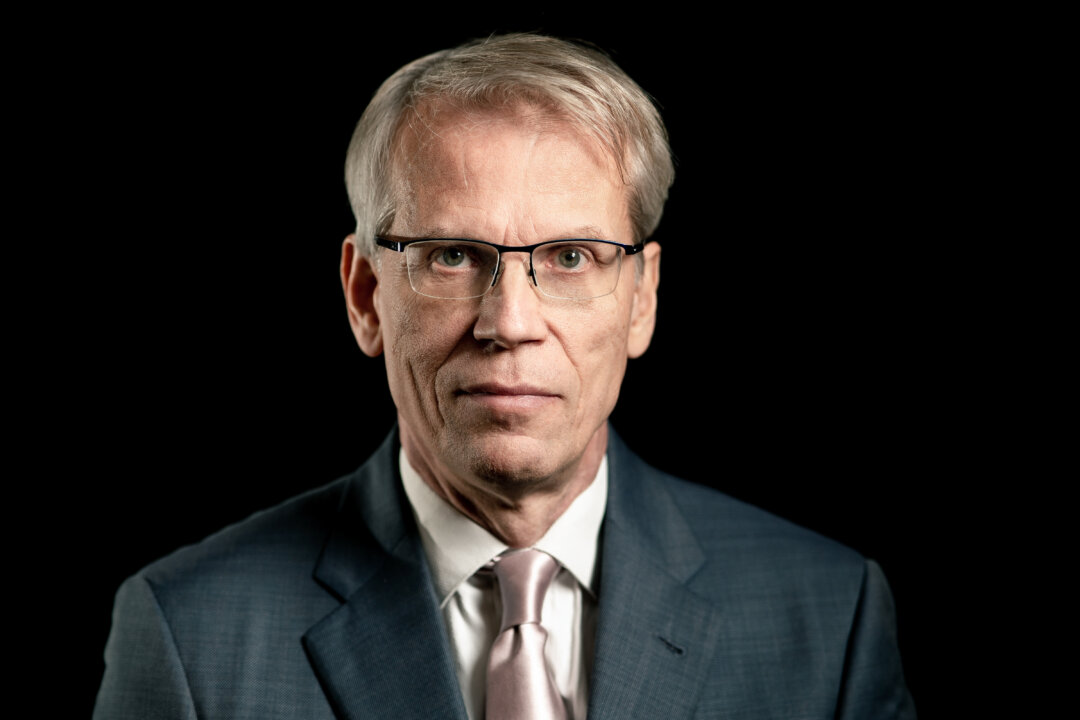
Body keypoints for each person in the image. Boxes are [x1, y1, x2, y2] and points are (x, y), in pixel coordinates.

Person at [94, 33, 915, 719]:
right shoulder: (188, 636)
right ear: (365, 295)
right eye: (452, 255)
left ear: (642, 300)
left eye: (571, 257)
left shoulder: (830, 618)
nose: (510, 323)